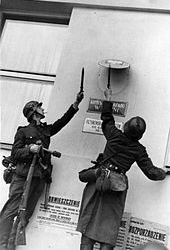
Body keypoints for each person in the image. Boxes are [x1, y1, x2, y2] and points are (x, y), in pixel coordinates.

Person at [77, 88, 169, 250]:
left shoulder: (114, 135)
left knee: (89, 220)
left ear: (126, 127)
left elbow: (107, 119)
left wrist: (108, 99)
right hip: (117, 187)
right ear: (140, 135)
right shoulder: (139, 150)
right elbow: (151, 173)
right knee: (110, 227)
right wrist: (164, 172)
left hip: (99, 180)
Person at [0, 91, 84, 250]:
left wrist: (76, 104)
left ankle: (11, 245)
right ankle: (1, 244)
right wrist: (30, 149)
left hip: (38, 178)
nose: (42, 109)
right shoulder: (23, 131)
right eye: (39, 107)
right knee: (10, 212)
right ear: (33, 113)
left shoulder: (46, 130)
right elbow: (15, 153)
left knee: (26, 214)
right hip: (22, 177)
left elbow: (62, 122)